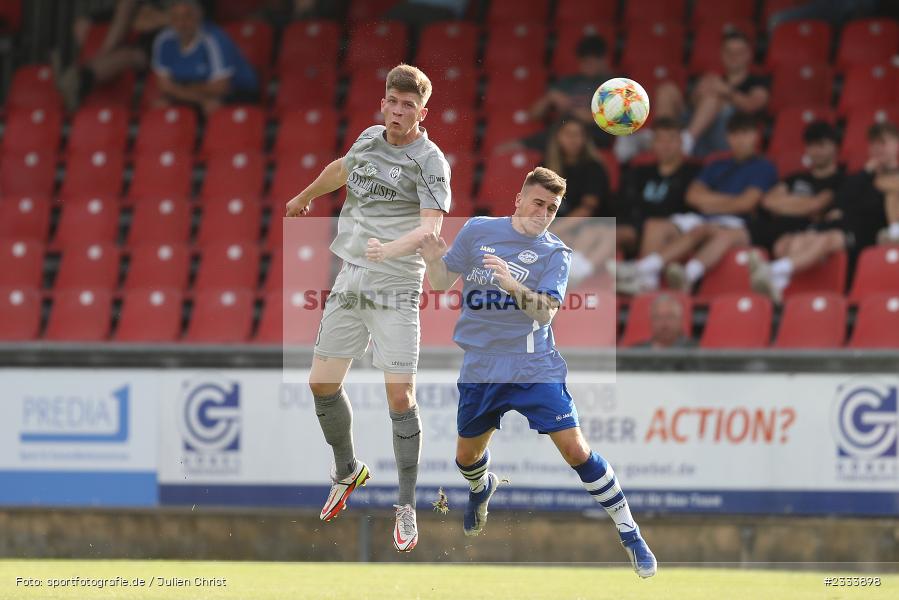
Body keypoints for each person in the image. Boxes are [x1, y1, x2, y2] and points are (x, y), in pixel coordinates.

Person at [418, 167, 657, 579]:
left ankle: (630, 532)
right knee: (466, 457)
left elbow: (546, 311)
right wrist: (432, 260)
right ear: (518, 199)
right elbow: (442, 282)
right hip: (481, 366)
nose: (543, 213)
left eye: (552, 207)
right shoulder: (478, 230)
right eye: (538, 203)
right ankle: (481, 488)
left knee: (576, 450)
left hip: (533, 365)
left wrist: (511, 284)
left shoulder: (554, 254)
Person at [284, 64, 451, 553]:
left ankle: (405, 503)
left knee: (400, 397)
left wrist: (391, 248)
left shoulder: (431, 161)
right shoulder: (370, 139)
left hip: (397, 284)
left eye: (408, 106)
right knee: (321, 383)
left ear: (423, 112)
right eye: (392, 103)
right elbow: (341, 169)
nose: (398, 112)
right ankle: (347, 470)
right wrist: (303, 196)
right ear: (383, 103)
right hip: (351, 279)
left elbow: (431, 229)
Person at [616, 112, 777, 294]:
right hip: (702, 218)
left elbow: (746, 203)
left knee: (703, 229)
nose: (740, 140)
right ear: (728, 137)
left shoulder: (764, 167)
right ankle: (646, 281)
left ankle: (643, 270)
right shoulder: (717, 164)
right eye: (735, 134)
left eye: (745, 134)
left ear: (756, 136)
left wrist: (710, 201)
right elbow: (692, 197)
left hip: (736, 223)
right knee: (655, 225)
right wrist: (731, 200)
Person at [751, 121, 899, 299]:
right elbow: (842, 199)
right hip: (843, 224)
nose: (878, 149)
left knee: (827, 239)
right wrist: (867, 171)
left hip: (867, 233)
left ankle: (773, 271)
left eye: (883, 143)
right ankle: (780, 284)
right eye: (874, 144)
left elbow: (887, 187)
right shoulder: (862, 175)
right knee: (791, 242)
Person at [746, 121, 844, 301]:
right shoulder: (796, 177)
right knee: (780, 243)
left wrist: (787, 204)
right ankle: (776, 282)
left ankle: (775, 280)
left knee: (791, 244)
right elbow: (768, 201)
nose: (816, 151)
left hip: (808, 232)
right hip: (779, 233)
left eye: (821, 145)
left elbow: (816, 205)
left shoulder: (841, 179)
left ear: (835, 147)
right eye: (811, 146)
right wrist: (803, 205)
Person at [654, 30, 769, 157]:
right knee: (667, 90)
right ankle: (661, 138)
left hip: (726, 135)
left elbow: (753, 105)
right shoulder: (713, 79)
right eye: (729, 52)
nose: (733, 56)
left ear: (748, 55)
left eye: (739, 52)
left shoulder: (758, 81)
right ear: (722, 54)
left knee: (713, 98)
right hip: (698, 129)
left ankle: (685, 143)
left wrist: (725, 91)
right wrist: (698, 94)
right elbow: (691, 106)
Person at [57, 0, 170, 111]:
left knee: (127, 55)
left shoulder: (159, 11)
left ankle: (80, 79)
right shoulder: (115, 12)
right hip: (111, 55)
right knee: (83, 25)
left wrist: (155, 18)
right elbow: (81, 25)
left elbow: (173, 20)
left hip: (144, 55)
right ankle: (82, 77)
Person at [150, 0, 258, 115]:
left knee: (213, 107)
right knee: (160, 106)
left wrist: (180, 91)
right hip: (196, 93)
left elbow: (221, 87)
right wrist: (199, 99)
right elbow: (165, 86)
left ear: (199, 16)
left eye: (188, 16)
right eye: (175, 18)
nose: (181, 23)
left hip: (237, 91)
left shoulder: (214, 38)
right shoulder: (164, 40)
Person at [540, 119, 614, 284]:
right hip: (562, 227)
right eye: (568, 134)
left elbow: (587, 210)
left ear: (585, 139)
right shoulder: (545, 167)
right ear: (557, 137)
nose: (573, 139)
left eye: (578, 135)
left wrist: (552, 228)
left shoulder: (594, 168)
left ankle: (574, 273)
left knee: (591, 234)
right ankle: (572, 272)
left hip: (593, 225)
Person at [618, 117, 702, 259]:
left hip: (671, 229)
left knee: (652, 228)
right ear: (653, 144)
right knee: (603, 229)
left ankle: (643, 279)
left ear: (681, 142)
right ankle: (579, 273)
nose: (665, 145)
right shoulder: (640, 172)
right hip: (637, 227)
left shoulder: (695, 173)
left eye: (671, 139)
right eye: (660, 140)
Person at [529, 35, 612, 146]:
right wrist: (550, 96)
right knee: (513, 147)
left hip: (594, 137)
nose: (587, 66)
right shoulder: (568, 82)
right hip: (562, 135)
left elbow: (607, 120)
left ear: (603, 61)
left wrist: (571, 108)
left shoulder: (612, 84)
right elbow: (534, 114)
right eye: (583, 62)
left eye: (591, 62)